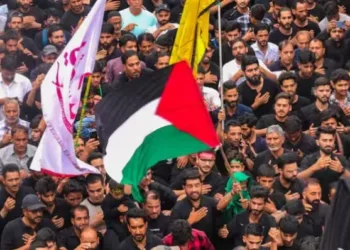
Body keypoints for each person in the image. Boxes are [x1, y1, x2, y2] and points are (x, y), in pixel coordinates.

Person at [299, 126, 350, 202]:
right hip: (314, 202)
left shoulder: (340, 159)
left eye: (330, 140)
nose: (328, 143)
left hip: (337, 202)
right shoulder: (308, 159)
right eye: (324, 140)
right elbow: (298, 178)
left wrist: (342, 170)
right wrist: (314, 168)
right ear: (317, 142)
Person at [170, 171, 220, 242]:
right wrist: (189, 222)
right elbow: (171, 236)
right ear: (184, 188)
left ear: (201, 185)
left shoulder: (211, 202)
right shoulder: (178, 208)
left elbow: (220, 215)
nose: (194, 190)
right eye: (190, 186)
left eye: (197, 185)